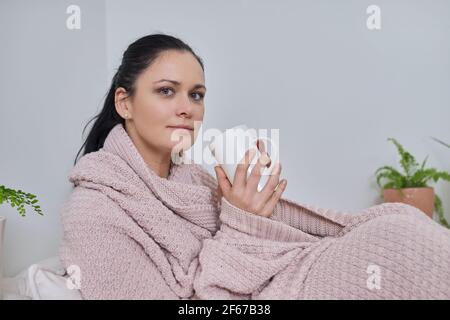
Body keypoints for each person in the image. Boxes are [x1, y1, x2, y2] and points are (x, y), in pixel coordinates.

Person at [59, 33, 450, 300]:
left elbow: (270, 238)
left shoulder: (195, 178)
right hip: (273, 292)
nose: (187, 108)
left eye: (196, 95)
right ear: (124, 103)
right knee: (401, 254)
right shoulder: (94, 212)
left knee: (397, 229)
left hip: (286, 272)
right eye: (166, 91)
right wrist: (242, 222)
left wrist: (260, 207)